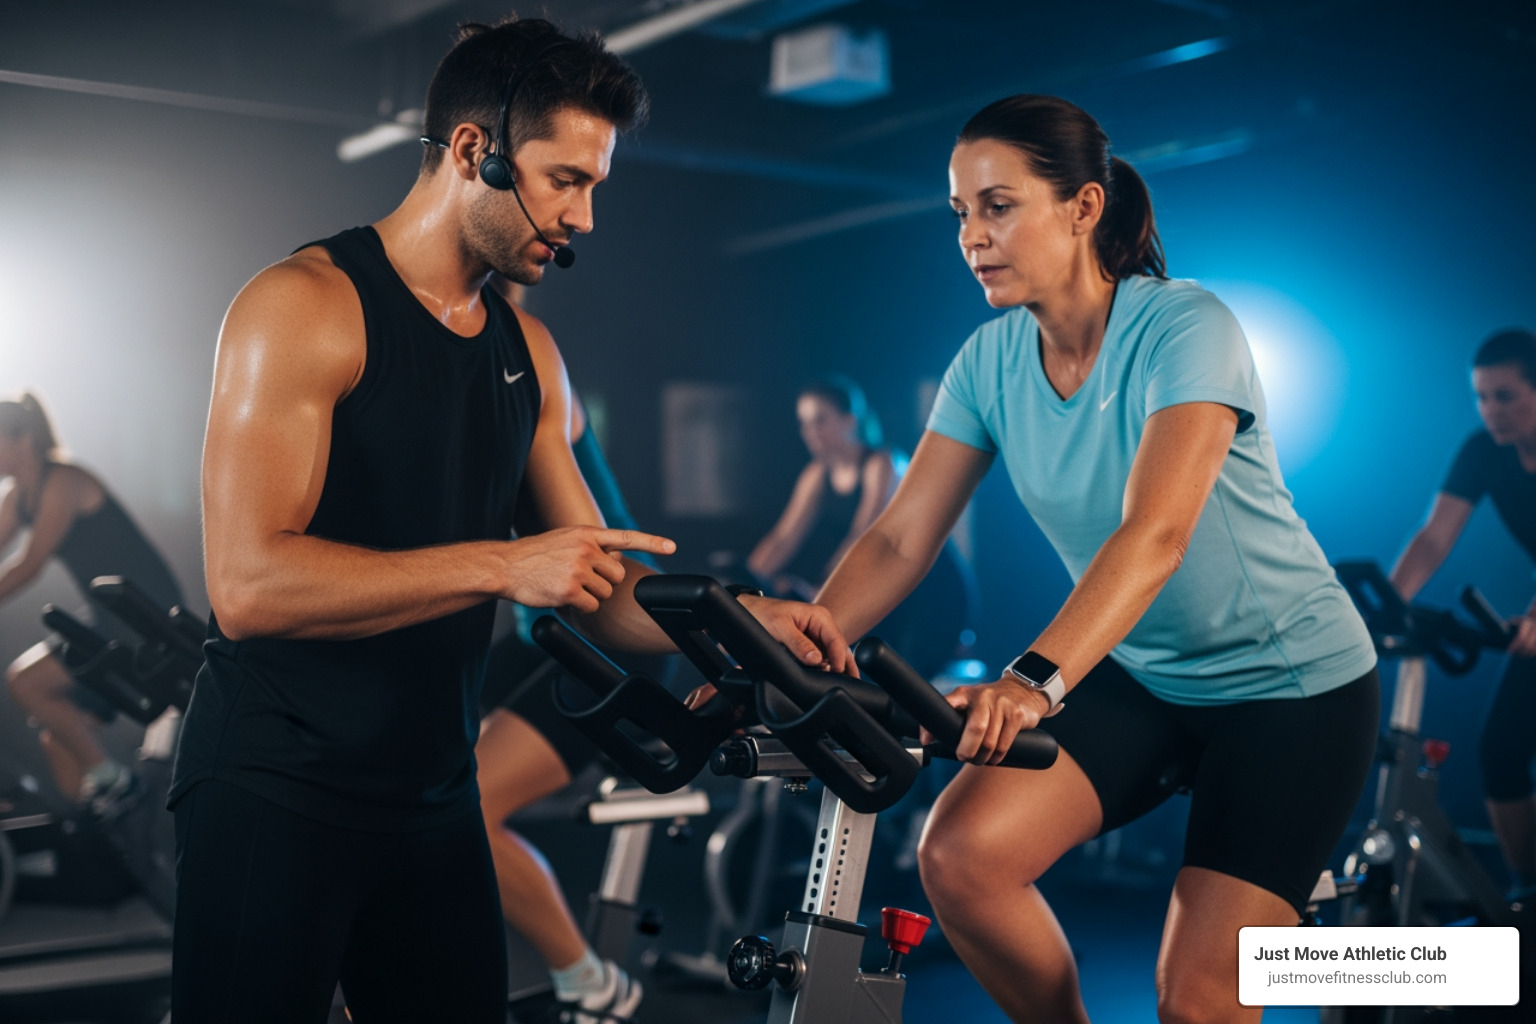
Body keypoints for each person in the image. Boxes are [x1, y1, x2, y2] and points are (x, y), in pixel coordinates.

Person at [172, 17, 843, 1024]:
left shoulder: (528, 353)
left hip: (432, 797)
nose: (583, 215)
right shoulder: (306, 305)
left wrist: (745, 623)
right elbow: (249, 587)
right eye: (564, 178)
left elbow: (597, 590)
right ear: (476, 153)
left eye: (594, 186)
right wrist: (500, 564)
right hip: (278, 785)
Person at [763, 94, 1381, 1023]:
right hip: (1144, 674)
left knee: (1200, 1000)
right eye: (961, 213)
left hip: (1288, 690)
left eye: (999, 206)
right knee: (961, 857)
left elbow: (1156, 535)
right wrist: (803, 645)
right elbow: (900, 534)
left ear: (1084, 207)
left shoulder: (1185, 326)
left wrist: (1032, 682)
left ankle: (1436, 963)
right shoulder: (987, 361)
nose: (973, 235)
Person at [476, 384, 660, 1022]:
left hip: (612, 642)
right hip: (539, 637)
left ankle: (592, 982)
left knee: (468, 805)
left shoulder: (527, 376)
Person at [1390, 328, 1536, 893]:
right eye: (1481, 396)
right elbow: (1434, 537)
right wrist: (1386, 607)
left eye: (1505, 396)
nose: (1490, 410)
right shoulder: (1483, 451)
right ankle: (1527, 894)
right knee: (1501, 750)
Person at [0, 392, 184, 814]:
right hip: (108, 621)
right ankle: (107, 841)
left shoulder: (63, 480)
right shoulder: (17, 496)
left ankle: (116, 781)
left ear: (21, 439)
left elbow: (30, 563)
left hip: (143, 618)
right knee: (59, 742)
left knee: (24, 682)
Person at [747, 374, 976, 678]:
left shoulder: (882, 463)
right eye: (804, 423)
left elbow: (865, 537)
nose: (810, 432)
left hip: (928, 590)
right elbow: (783, 538)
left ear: (849, 420)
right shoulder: (817, 473)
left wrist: (822, 592)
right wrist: (742, 588)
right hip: (884, 583)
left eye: (820, 420)